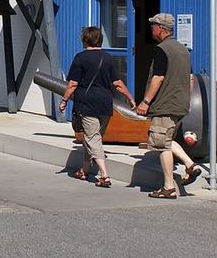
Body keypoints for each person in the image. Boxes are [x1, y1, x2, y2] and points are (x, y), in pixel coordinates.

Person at [135, 13, 202, 199]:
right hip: (180, 104)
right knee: (167, 139)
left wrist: (145, 101)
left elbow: (158, 77)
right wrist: (187, 101)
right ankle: (190, 165)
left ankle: (168, 187)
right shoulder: (183, 50)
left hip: (165, 104)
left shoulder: (162, 49)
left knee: (161, 146)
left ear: (161, 29)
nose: (152, 29)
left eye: (154, 26)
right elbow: (189, 78)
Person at [59, 26, 134, 187]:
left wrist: (64, 100)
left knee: (93, 138)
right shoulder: (107, 58)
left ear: (85, 40)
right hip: (106, 103)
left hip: (87, 103)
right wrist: (130, 98)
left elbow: (72, 84)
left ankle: (104, 175)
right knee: (93, 137)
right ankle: (84, 170)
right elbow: (117, 83)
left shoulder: (80, 58)